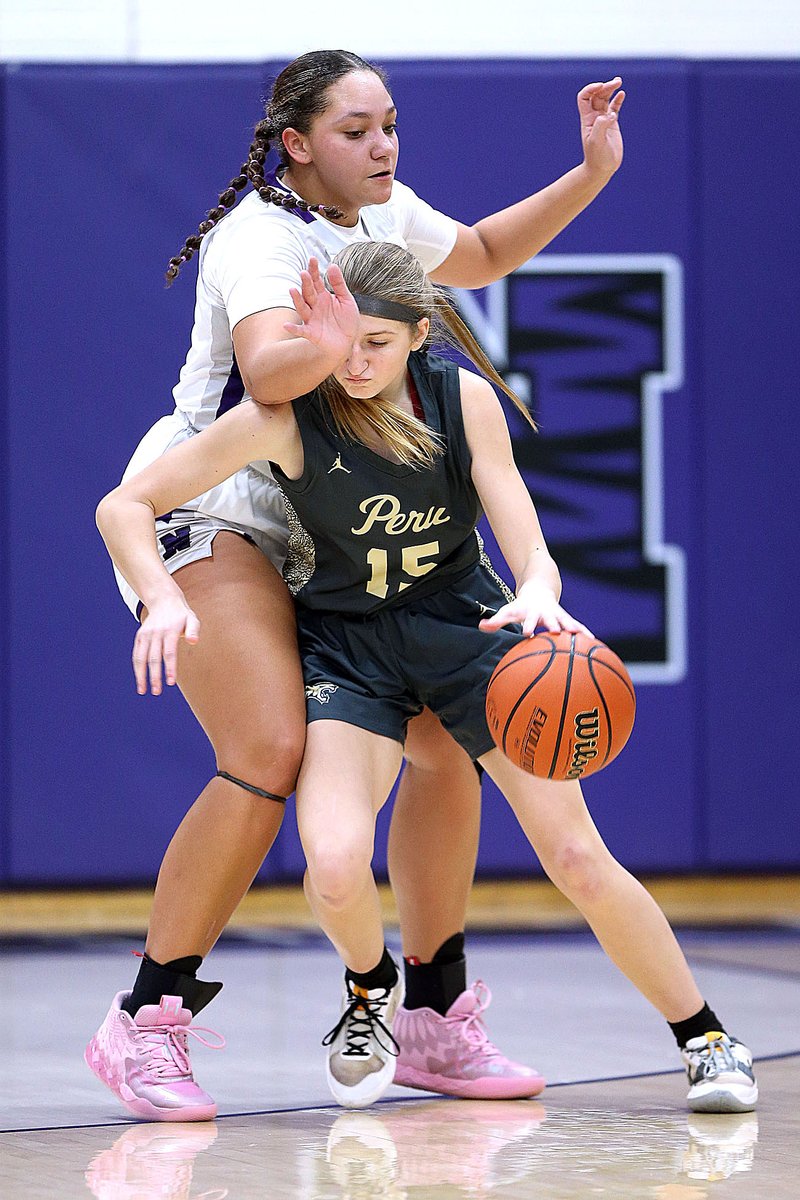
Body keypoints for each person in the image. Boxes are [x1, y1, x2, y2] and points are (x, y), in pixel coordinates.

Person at [95, 241, 758, 1114]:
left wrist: (541, 586)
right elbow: (125, 504)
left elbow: (510, 503)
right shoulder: (286, 413)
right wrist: (161, 596)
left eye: (377, 343)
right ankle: (374, 997)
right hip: (350, 649)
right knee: (332, 863)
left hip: (466, 632)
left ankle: (706, 1037)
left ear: (419, 335)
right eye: (340, 341)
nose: (355, 363)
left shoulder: (462, 399)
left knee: (574, 854)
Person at [87, 47, 627, 1118]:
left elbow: (471, 255)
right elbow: (270, 373)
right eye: (354, 130)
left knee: (435, 739)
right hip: (223, 503)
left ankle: (431, 1018)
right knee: (268, 752)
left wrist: (590, 172)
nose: (381, 146)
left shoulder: (372, 212)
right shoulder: (258, 238)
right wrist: (324, 341)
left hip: (321, 521)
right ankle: (146, 1020)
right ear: (296, 144)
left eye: (389, 124)